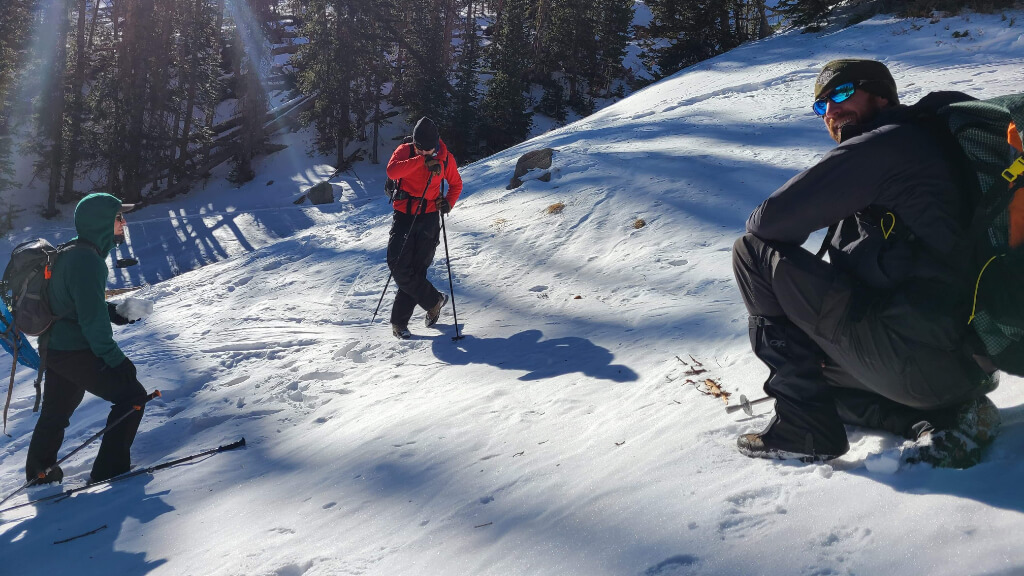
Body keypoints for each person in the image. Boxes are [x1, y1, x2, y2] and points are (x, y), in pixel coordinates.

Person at [731, 59, 1000, 467]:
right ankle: (937, 415)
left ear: (881, 95)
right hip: (963, 361)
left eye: (841, 93)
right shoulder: (923, 143)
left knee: (750, 253)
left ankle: (806, 428)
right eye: (821, 105)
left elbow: (766, 222)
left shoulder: (887, 145)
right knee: (816, 377)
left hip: (924, 358)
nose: (831, 110)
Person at [25, 193, 148, 483]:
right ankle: (110, 472)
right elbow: (93, 326)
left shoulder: (70, 252)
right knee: (132, 396)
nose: (123, 222)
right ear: (102, 222)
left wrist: (115, 312)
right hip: (73, 350)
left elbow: (76, 304)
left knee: (56, 413)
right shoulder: (88, 261)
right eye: (119, 217)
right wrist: (118, 362)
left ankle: (38, 475)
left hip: (54, 348)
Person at [385, 116, 463, 339]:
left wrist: (447, 202)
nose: (424, 152)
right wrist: (420, 161)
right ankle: (433, 300)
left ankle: (399, 324)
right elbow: (392, 172)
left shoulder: (446, 159)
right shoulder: (405, 151)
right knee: (398, 265)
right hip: (404, 214)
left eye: (428, 149)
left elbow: (456, 184)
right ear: (415, 143)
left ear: (436, 144)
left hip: (429, 217)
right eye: (420, 148)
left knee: (417, 270)